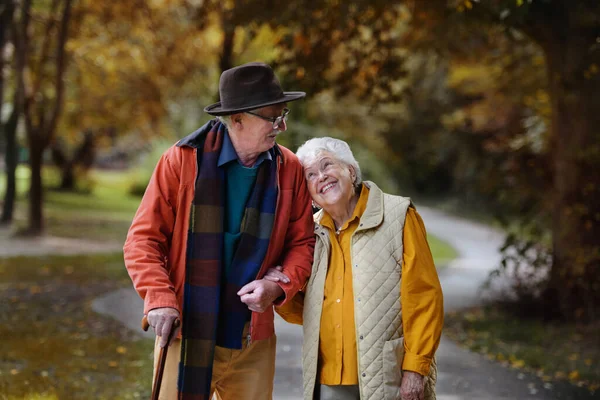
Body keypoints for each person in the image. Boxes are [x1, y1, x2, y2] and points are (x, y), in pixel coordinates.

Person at [123, 62, 315, 400]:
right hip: (187, 331)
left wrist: (277, 284)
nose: (282, 127)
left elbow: (303, 243)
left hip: (252, 337)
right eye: (273, 117)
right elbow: (143, 240)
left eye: (283, 114)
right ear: (238, 118)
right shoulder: (181, 160)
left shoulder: (290, 169)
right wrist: (160, 299)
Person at [269, 137, 443, 400]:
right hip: (328, 380)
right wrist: (279, 289)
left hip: (389, 377)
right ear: (308, 192)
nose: (322, 177)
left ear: (350, 170)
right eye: (311, 175)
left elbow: (424, 298)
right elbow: (306, 312)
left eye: (328, 165)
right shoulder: (309, 233)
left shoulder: (398, 216)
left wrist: (415, 369)